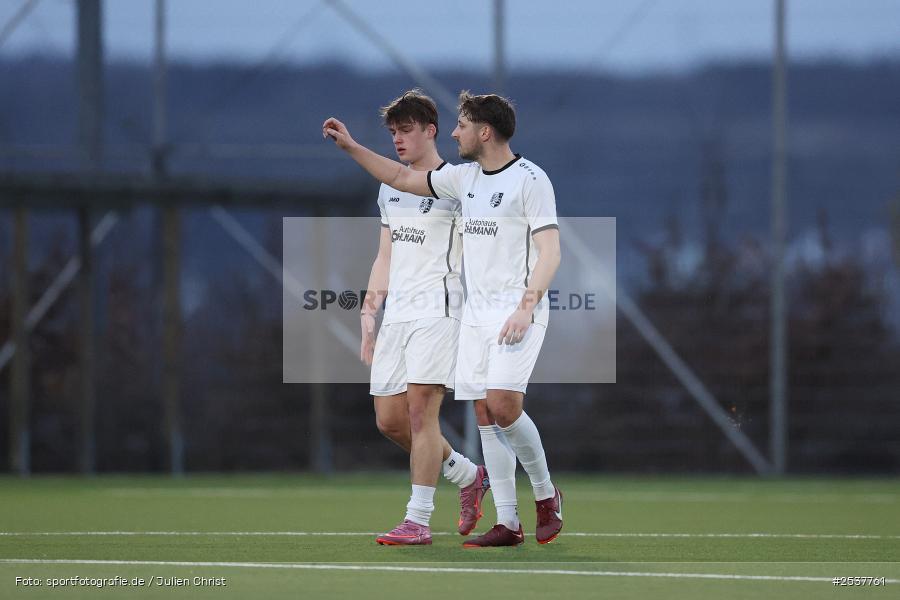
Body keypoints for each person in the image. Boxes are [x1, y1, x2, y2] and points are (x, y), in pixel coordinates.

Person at [323, 91, 563, 547]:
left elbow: (550, 251)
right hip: (452, 314)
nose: (456, 132)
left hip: (466, 310)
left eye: (462, 124)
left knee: (483, 407)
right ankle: (496, 508)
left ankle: (534, 498)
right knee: (425, 417)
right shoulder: (462, 179)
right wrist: (351, 147)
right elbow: (395, 185)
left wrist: (527, 304)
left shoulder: (525, 180)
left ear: (483, 131)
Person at [359, 90, 490, 546]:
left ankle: (417, 519)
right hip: (399, 314)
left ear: (430, 130)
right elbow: (385, 255)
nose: (397, 139)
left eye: (406, 130)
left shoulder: (457, 182)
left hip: (440, 309)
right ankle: (470, 475)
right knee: (390, 421)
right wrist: (370, 307)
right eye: (392, 132)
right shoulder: (388, 187)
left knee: (420, 414)